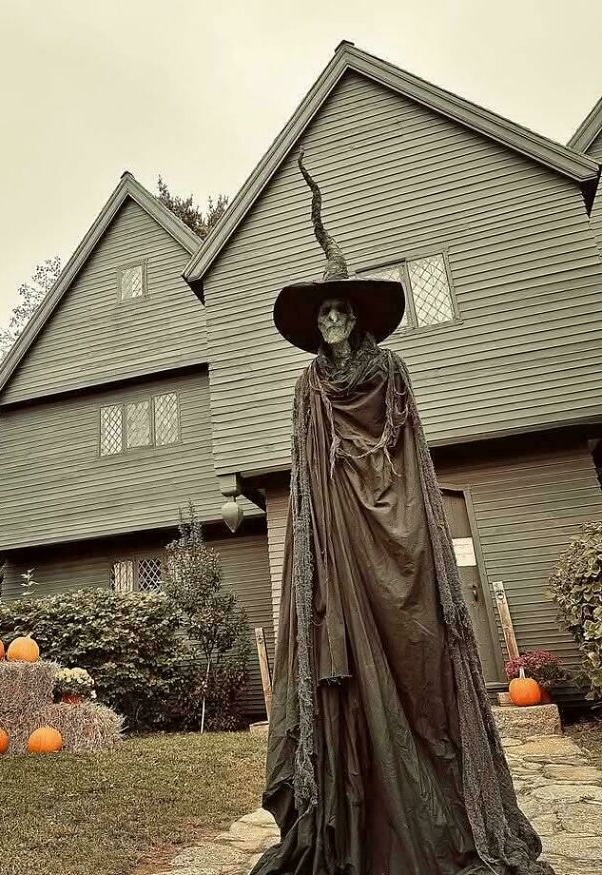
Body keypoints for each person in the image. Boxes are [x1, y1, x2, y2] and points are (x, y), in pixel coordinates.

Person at [250, 151, 554, 875]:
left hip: (394, 526)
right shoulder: (307, 388)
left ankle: (440, 797)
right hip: (340, 537)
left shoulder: (390, 371)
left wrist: (400, 514)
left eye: (339, 310)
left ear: (355, 318)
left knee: (413, 647)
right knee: (349, 661)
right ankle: (355, 821)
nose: (329, 320)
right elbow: (307, 471)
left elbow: (407, 454)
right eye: (321, 312)